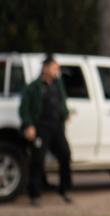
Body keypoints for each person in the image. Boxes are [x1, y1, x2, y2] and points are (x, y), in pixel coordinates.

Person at [19, 55, 72, 206]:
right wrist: (28, 125)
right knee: (37, 160)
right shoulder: (33, 87)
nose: (57, 71)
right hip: (41, 128)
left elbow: (62, 101)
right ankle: (34, 194)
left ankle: (65, 189)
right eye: (55, 68)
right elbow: (24, 109)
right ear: (45, 68)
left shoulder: (58, 84)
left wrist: (65, 114)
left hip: (56, 128)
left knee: (65, 155)